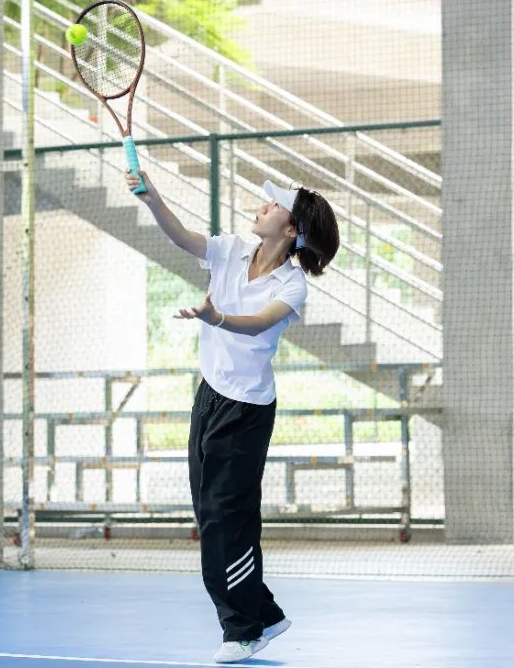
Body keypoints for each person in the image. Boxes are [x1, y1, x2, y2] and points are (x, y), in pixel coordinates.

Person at [124, 168, 340, 664]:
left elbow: (258, 323)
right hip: (209, 398)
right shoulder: (230, 251)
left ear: (292, 230)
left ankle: (243, 629)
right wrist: (151, 197)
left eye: (275, 206)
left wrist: (215, 317)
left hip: (246, 410)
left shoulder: (292, 286)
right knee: (211, 514)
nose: (263, 207)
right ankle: (263, 613)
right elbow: (182, 237)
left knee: (227, 518)